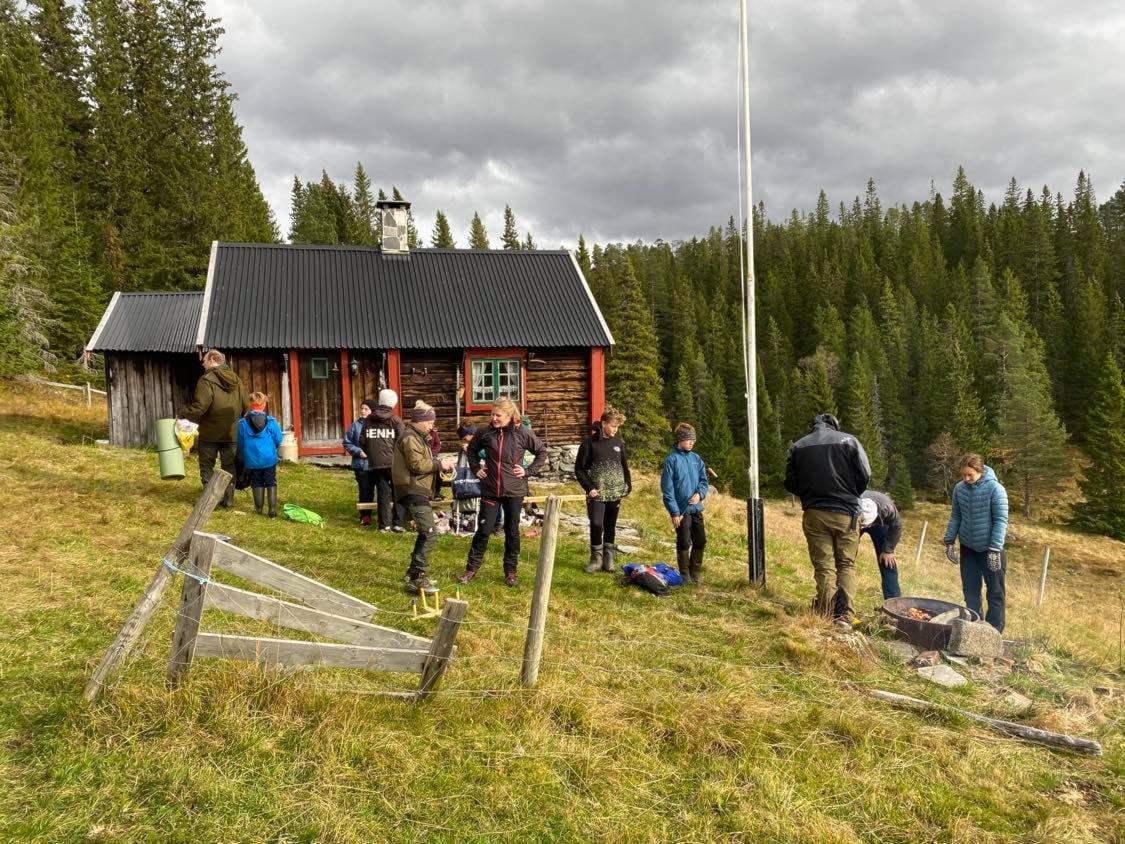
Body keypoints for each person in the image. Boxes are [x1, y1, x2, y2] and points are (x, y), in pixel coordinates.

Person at [784, 413, 872, 624]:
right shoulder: (849, 441)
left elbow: (790, 482)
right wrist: (851, 494)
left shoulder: (798, 447)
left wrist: (809, 495)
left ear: (813, 426)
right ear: (835, 425)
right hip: (846, 513)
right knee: (846, 564)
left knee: (824, 566)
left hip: (814, 513)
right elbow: (865, 474)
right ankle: (845, 616)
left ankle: (826, 613)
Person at [458, 397, 548, 587]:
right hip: (490, 490)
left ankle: (510, 572)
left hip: (514, 490)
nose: (494, 418)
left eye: (498, 415)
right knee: (483, 529)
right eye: (492, 414)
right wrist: (476, 469)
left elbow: (541, 452)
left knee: (512, 532)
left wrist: (528, 471)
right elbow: (472, 451)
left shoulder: (522, 433)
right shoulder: (485, 432)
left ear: (509, 415)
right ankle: (471, 569)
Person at [392, 400, 455, 595]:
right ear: (419, 421)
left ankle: (413, 573)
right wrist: (439, 464)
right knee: (429, 532)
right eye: (429, 422)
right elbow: (417, 465)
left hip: (417, 488)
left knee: (425, 532)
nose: (431, 426)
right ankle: (418, 578)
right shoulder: (411, 438)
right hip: (412, 488)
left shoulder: (419, 437)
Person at [943, 453, 1009, 632]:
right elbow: (956, 516)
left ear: (980, 471)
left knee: (995, 593)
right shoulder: (959, 489)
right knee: (971, 592)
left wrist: (995, 549)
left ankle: (994, 631)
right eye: (963, 475)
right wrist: (949, 541)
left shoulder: (996, 489)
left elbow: (1001, 520)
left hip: (990, 549)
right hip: (968, 549)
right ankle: (973, 628)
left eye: (970, 475)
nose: (966, 478)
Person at [180, 348, 248, 507]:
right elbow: (246, 406)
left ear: (212, 361)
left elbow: (200, 407)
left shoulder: (206, 380)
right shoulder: (237, 380)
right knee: (229, 466)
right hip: (231, 433)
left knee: (207, 465)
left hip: (210, 432)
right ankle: (229, 499)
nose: (203, 364)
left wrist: (183, 413)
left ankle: (210, 501)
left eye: (204, 361)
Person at [576, 407, 632, 574]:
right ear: (604, 423)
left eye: (617, 427)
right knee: (596, 523)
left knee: (610, 525)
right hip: (597, 493)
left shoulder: (618, 444)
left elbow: (624, 466)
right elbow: (579, 469)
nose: (615, 430)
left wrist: (628, 485)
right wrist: (589, 488)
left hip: (615, 493)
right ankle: (596, 558)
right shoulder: (589, 443)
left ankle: (609, 558)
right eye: (613, 426)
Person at [344, 391, 403, 530]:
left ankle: (384, 526)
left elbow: (362, 440)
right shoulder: (395, 420)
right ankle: (398, 524)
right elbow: (403, 442)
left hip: (375, 462)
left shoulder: (369, 420)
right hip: (393, 462)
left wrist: (371, 453)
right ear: (393, 403)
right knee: (398, 491)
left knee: (383, 493)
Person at [660, 423, 709, 583]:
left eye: (693, 440)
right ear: (680, 440)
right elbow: (667, 490)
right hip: (681, 511)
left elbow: (704, 481)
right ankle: (684, 574)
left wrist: (699, 494)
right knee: (684, 542)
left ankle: (695, 572)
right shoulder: (671, 460)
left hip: (696, 508)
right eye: (688, 439)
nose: (691, 442)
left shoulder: (697, 459)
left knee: (700, 540)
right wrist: (674, 512)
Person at [236, 392, 283, 517]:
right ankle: (272, 509)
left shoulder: (242, 423)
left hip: (252, 458)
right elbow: (278, 438)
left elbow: (240, 442)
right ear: (264, 404)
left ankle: (258, 509)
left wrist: (245, 453)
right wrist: (273, 448)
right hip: (268, 457)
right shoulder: (271, 421)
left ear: (250, 405)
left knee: (256, 481)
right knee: (271, 481)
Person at [858, 490, 903, 600]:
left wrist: (888, 550)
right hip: (856, 520)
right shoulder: (853, 502)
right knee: (844, 558)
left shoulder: (887, 509)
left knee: (887, 562)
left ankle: (893, 602)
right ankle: (837, 599)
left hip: (880, 524)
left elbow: (897, 526)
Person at [450, 424, 480, 534]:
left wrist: (470, 450)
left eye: (464, 438)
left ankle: (497, 524)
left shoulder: (480, 440)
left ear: (470, 434)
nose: (463, 441)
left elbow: (483, 455)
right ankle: (464, 518)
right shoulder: (471, 442)